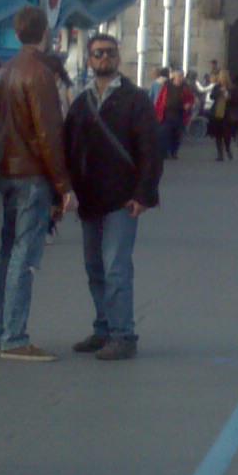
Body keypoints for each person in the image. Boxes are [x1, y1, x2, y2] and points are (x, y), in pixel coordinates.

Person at [64, 33, 162, 360]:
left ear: (118, 58)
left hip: (122, 198)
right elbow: (68, 149)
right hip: (90, 198)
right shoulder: (81, 103)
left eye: (108, 53)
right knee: (94, 267)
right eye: (97, 54)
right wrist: (64, 192)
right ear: (89, 60)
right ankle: (103, 328)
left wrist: (144, 193)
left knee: (116, 267)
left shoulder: (136, 100)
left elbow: (151, 149)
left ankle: (124, 335)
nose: (103, 58)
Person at [0, 4, 75, 362]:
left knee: (8, 253)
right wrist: (63, 185)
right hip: (31, 174)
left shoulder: (4, 73)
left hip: (6, 170)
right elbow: (48, 134)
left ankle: (1, 330)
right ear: (46, 33)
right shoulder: (39, 75)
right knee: (25, 256)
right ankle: (14, 336)